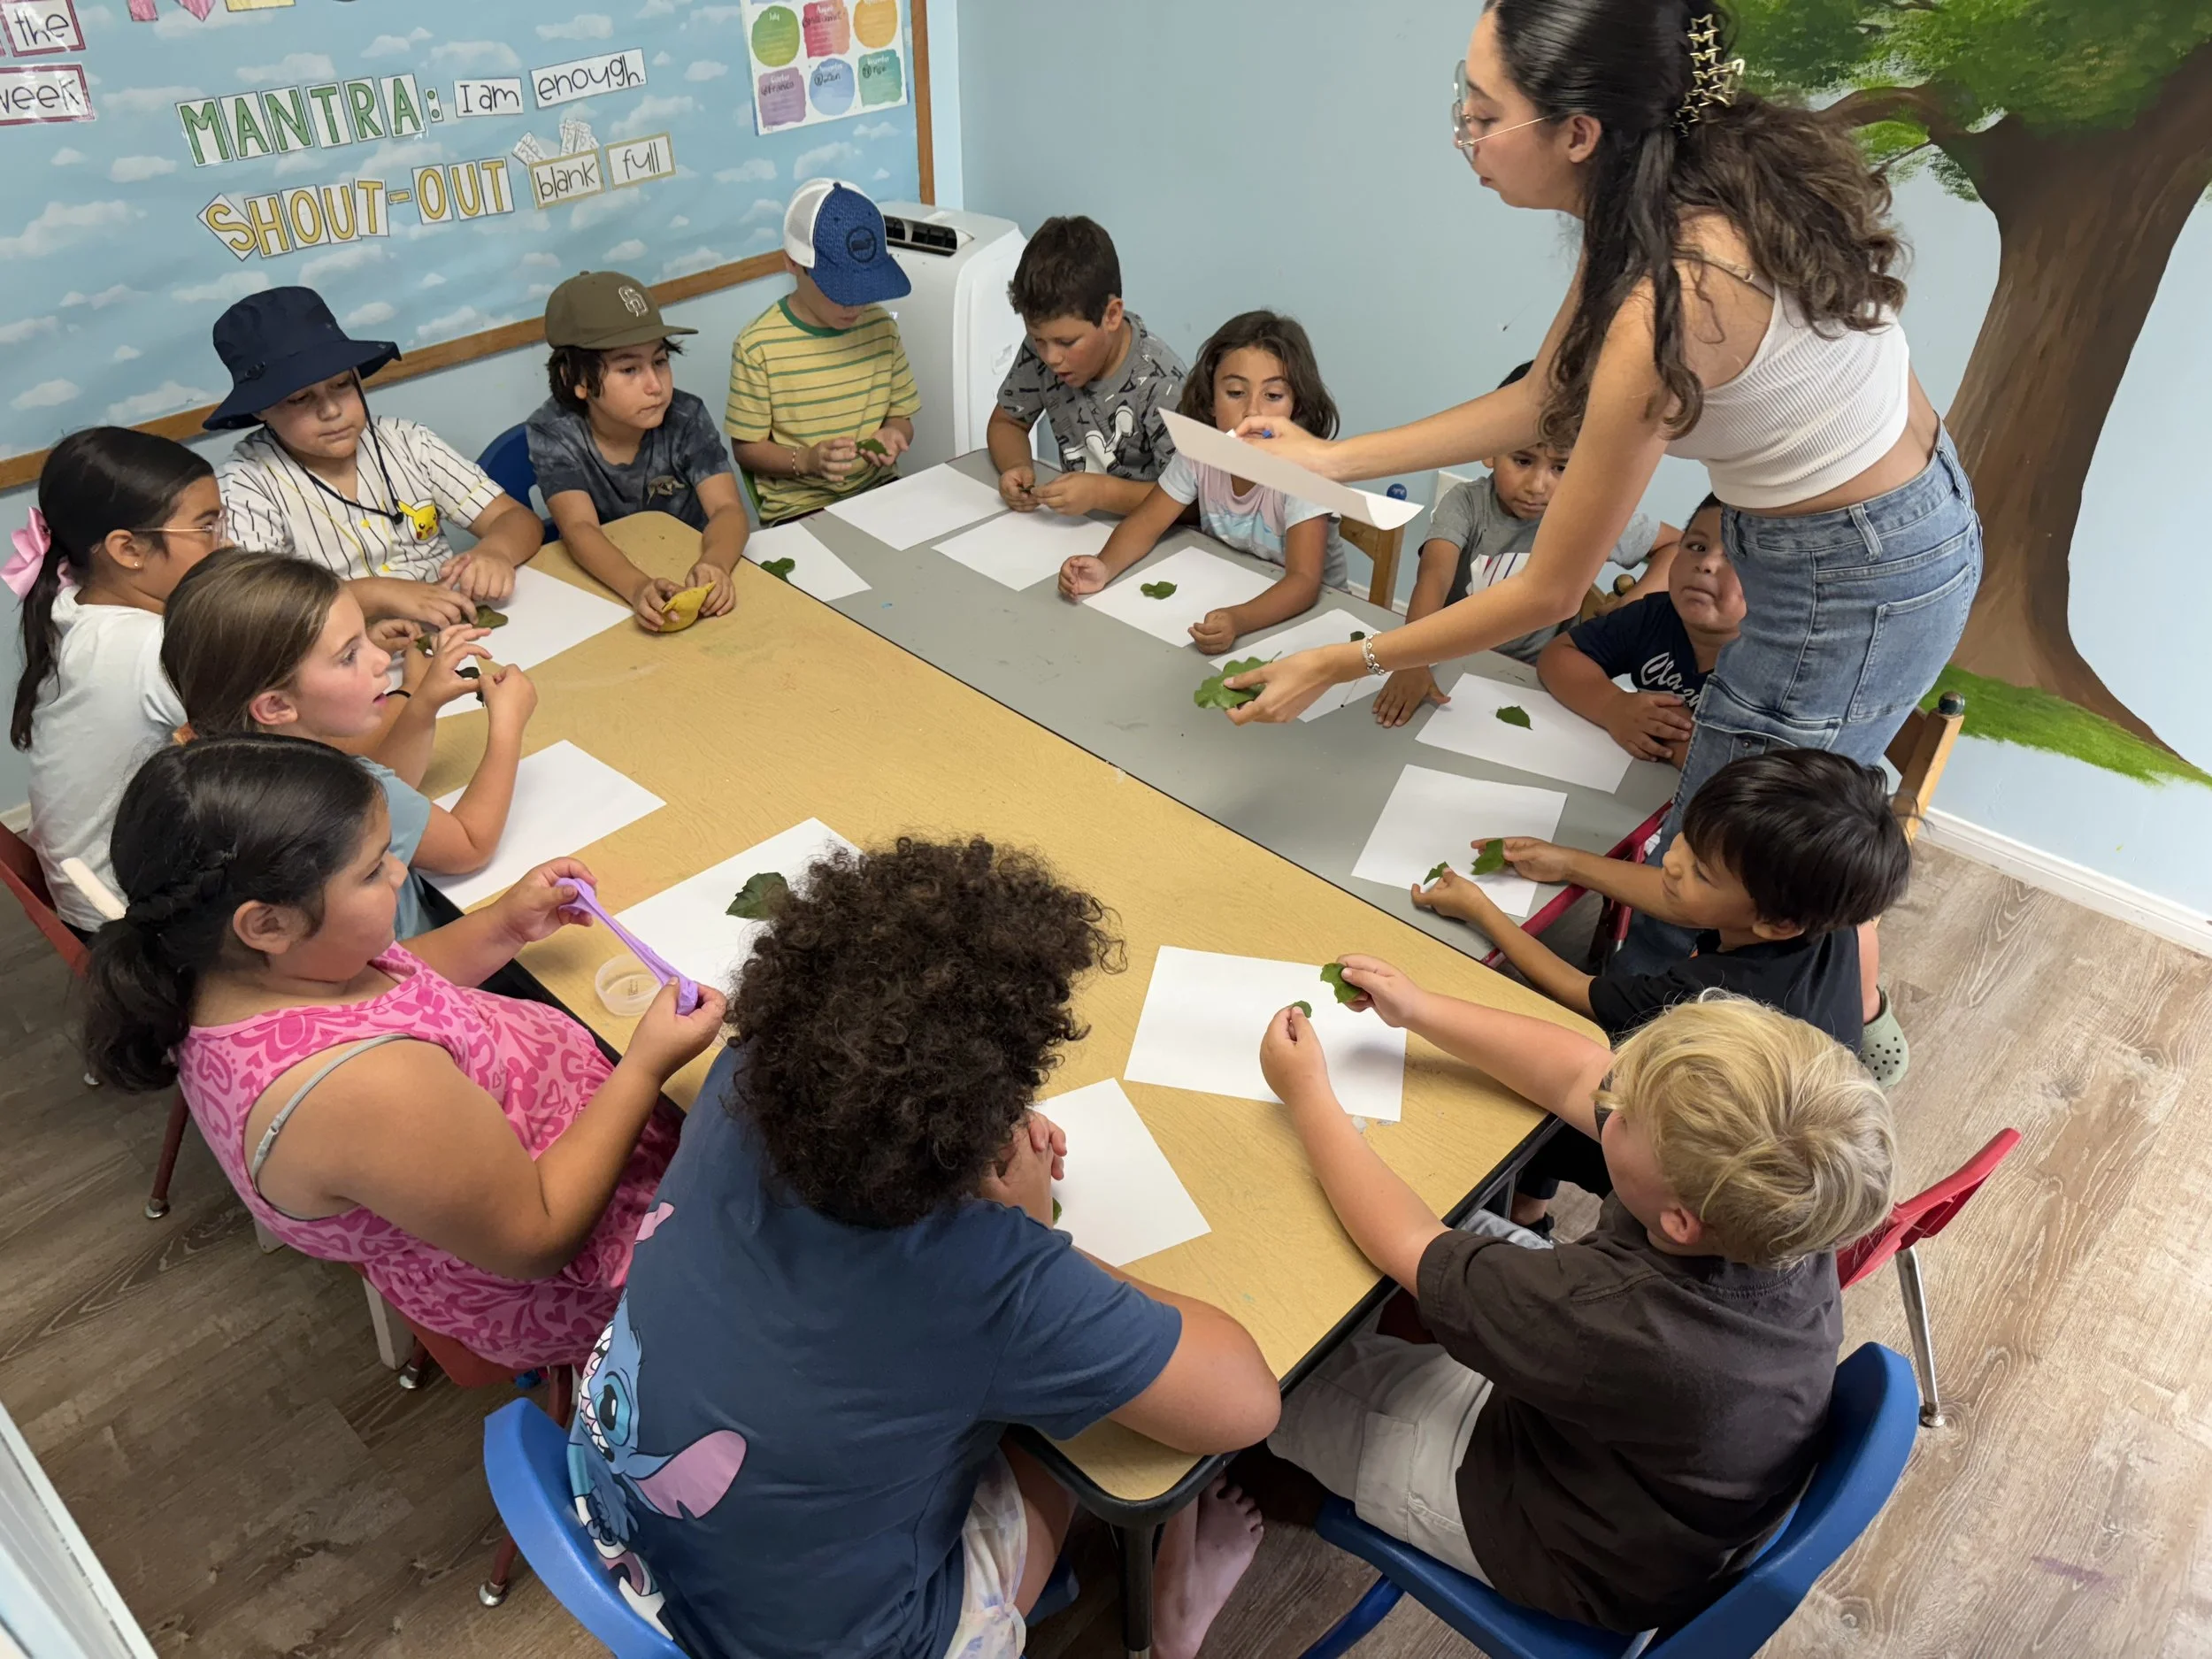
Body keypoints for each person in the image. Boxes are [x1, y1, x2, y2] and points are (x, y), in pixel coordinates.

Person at [1217, 0, 1979, 1041]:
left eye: (1481, 115)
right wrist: (1333, 457)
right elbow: (1554, 390)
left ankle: (1656, 1109)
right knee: (1786, 840)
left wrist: (1346, 661)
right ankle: (1827, 1018)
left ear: (1578, 132)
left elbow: (1547, 593)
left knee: (1713, 874)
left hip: (1855, 578)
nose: (1463, 136)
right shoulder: (1659, 186)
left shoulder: (1674, 295)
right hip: (1891, 520)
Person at [567, 837, 1280, 1659]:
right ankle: (1170, 1608)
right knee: (1072, 1437)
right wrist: (1030, 1231)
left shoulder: (747, 1070)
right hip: (839, 1644)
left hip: (611, 1510)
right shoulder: (987, 1276)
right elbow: (1243, 1404)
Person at [1259, 982, 1895, 1633]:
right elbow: (1578, 1072)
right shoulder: (1785, 1206)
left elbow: (1409, 1244)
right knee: (1421, 1208)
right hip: (1643, 1481)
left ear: (1679, 1222)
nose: (1609, 1098)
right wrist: (1417, 1008)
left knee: (1272, 1379)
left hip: (1555, 1535)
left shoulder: (1612, 1315)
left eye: (1621, 1113)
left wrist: (1308, 1092)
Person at [81, 735, 718, 1370]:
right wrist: (642, 1067)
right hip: (586, 1262)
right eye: (372, 867)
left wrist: (504, 925)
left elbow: (404, 982)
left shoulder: (247, 969)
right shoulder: (353, 1089)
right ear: (266, 923)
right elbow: (538, 1235)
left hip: (571, 1148)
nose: (400, 871)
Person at [1412, 749, 1909, 1231]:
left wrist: (1482, 912)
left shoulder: (1709, 996)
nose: (1671, 860)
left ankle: (1524, 1212)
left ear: (1775, 923)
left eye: (1701, 871)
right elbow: (1687, 902)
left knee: (1541, 1096)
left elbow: (1578, 990)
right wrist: (1566, 863)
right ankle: (1527, 1208)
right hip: (1782, 1110)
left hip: (1704, 1169)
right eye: (1687, 838)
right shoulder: (1825, 918)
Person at [160, 549, 533, 940]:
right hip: (413, 978)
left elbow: (394, 790)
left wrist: (423, 700)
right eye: (349, 654)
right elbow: (470, 846)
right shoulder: (335, 792)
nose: (378, 659)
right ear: (276, 705)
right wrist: (508, 725)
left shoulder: (224, 771)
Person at [208, 287, 540, 622]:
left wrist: (496, 551)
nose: (331, 410)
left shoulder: (408, 442)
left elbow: (516, 519)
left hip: (451, 628)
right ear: (260, 410)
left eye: (341, 385)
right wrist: (378, 594)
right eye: (299, 399)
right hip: (343, 654)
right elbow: (256, 607)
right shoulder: (244, 485)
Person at [7, 430, 227, 934]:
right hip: (135, 918)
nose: (226, 543)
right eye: (207, 528)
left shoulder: (76, 601)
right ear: (128, 549)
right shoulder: (146, 644)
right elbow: (281, 744)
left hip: (89, 893)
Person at [1375, 362, 1678, 727]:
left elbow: (1676, 546)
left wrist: (1632, 603)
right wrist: (1412, 660)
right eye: (1522, 460)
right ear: (1490, 449)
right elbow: (1433, 577)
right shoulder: (1466, 504)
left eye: (1561, 468)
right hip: (1447, 658)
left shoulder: (1593, 515)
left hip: (1533, 680)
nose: (1537, 485)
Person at [1058, 311, 1347, 649]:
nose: (1253, 411)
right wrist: (1103, 566)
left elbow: (1304, 582)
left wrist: (1238, 620)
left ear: (1296, 406)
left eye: (1273, 396)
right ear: (1211, 401)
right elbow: (1145, 524)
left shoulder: (1305, 472)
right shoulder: (1201, 452)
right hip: (1234, 589)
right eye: (1236, 392)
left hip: (1312, 620)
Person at [527, 271, 749, 632]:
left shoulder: (686, 415)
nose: (655, 385)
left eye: (660, 362)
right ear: (576, 380)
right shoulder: (552, 432)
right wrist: (636, 587)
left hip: (690, 565)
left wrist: (716, 564)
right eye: (629, 368)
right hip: (612, 585)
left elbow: (726, 508)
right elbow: (580, 528)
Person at [726, 180, 921, 526]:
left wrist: (895, 434)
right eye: (839, 290)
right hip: (801, 510)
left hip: (880, 493)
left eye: (863, 289)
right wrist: (806, 460)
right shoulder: (758, 347)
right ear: (792, 263)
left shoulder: (881, 328)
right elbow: (746, 449)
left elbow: (900, 417)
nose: (854, 304)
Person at [987, 215, 1188, 517]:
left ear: (1111, 316)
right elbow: (1007, 423)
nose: (1051, 357)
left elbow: (1192, 501)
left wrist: (1101, 493)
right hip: (1075, 536)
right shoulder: (1041, 352)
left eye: (1067, 343)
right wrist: (1016, 466)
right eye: (1038, 339)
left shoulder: (1161, 384)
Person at [1535, 494, 1740, 763]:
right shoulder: (1652, 614)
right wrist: (1611, 705)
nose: (1706, 564)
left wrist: (1675, 736)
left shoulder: (1784, 664)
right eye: (1697, 547)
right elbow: (1559, 655)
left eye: (1737, 557)